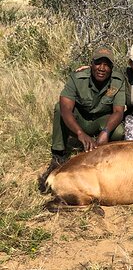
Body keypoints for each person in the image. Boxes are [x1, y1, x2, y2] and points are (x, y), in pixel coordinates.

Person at [38, 46, 126, 192]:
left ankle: (104, 157)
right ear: (91, 64)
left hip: (101, 120)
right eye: (98, 63)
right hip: (80, 119)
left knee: (119, 131)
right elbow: (65, 107)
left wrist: (105, 132)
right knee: (59, 108)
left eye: (106, 64)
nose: (101, 68)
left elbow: (118, 111)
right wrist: (79, 133)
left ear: (111, 68)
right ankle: (58, 155)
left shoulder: (118, 81)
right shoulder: (77, 78)